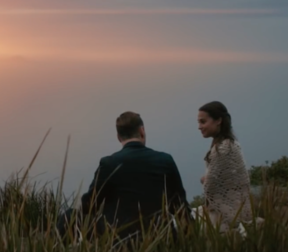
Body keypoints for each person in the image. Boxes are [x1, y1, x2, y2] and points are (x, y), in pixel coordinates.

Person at [57, 111, 191, 243]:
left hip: (120, 241)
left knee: (70, 216)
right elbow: (180, 206)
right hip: (161, 239)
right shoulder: (165, 160)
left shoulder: (108, 163)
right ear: (142, 131)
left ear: (118, 137)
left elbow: (90, 204)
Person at [197, 101, 253, 232]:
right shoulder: (230, 144)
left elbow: (211, 186)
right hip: (232, 209)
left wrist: (204, 180)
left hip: (224, 217)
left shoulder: (223, 148)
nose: (199, 126)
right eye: (198, 122)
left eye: (203, 122)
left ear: (218, 120)